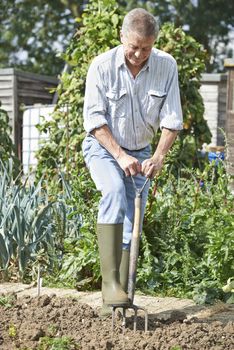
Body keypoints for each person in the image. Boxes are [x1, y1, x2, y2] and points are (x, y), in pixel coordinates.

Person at [82, 8, 183, 316]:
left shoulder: (166, 66)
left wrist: (158, 156)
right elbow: (95, 121)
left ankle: (121, 295)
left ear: (155, 43)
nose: (139, 54)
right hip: (103, 146)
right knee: (113, 191)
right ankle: (109, 284)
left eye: (147, 48)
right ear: (121, 36)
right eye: (134, 46)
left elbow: (172, 119)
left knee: (131, 217)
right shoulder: (101, 66)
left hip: (141, 152)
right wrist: (120, 155)